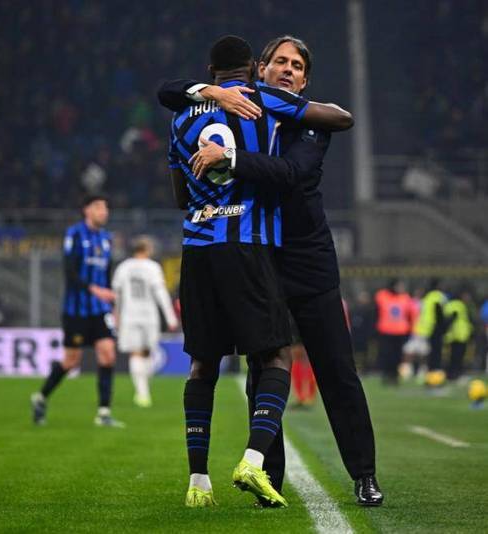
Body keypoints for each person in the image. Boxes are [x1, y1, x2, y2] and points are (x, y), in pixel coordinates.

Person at [159, 35, 382, 506]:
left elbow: (291, 173)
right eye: (279, 61)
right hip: (261, 256)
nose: (287, 69)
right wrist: (211, 92)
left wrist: (229, 157)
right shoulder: (248, 107)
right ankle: (268, 475)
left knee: (337, 371)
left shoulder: (307, 123)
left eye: (296, 65)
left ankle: (364, 474)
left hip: (309, 261)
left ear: (304, 80)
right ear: (259, 69)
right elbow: (170, 91)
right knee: (262, 367)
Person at [31, 194, 124, 427]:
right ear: (87, 210)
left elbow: (106, 277)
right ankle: (41, 397)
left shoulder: (106, 239)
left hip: (100, 309)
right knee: (71, 361)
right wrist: (95, 290)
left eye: (106, 207)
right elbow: (69, 272)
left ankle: (103, 413)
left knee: (108, 354)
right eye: (99, 207)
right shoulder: (74, 234)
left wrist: (112, 307)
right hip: (76, 310)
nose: (104, 211)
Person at [112, 235, 178, 407]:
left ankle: (142, 392)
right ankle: (143, 392)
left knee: (136, 353)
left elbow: (117, 295)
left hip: (129, 315)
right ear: (146, 249)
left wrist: (116, 315)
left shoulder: (123, 267)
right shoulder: (152, 267)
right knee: (146, 352)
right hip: (149, 315)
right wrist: (170, 317)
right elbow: (160, 293)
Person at [374, 279, 413, 385]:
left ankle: (394, 375)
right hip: (385, 331)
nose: (401, 288)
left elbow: (409, 315)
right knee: (386, 355)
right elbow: (376, 312)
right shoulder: (382, 296)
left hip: (400, 332)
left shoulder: (405, 298)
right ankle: (386, 375)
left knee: (397, 356)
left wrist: (409, 330)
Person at [444, 289, 474, 380]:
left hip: (452, 335)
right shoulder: (460, 305)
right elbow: (459, 318)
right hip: (460, 334)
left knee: (451, 357)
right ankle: (456, 374)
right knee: (458, 357)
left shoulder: (448, 305)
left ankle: (451, 374)